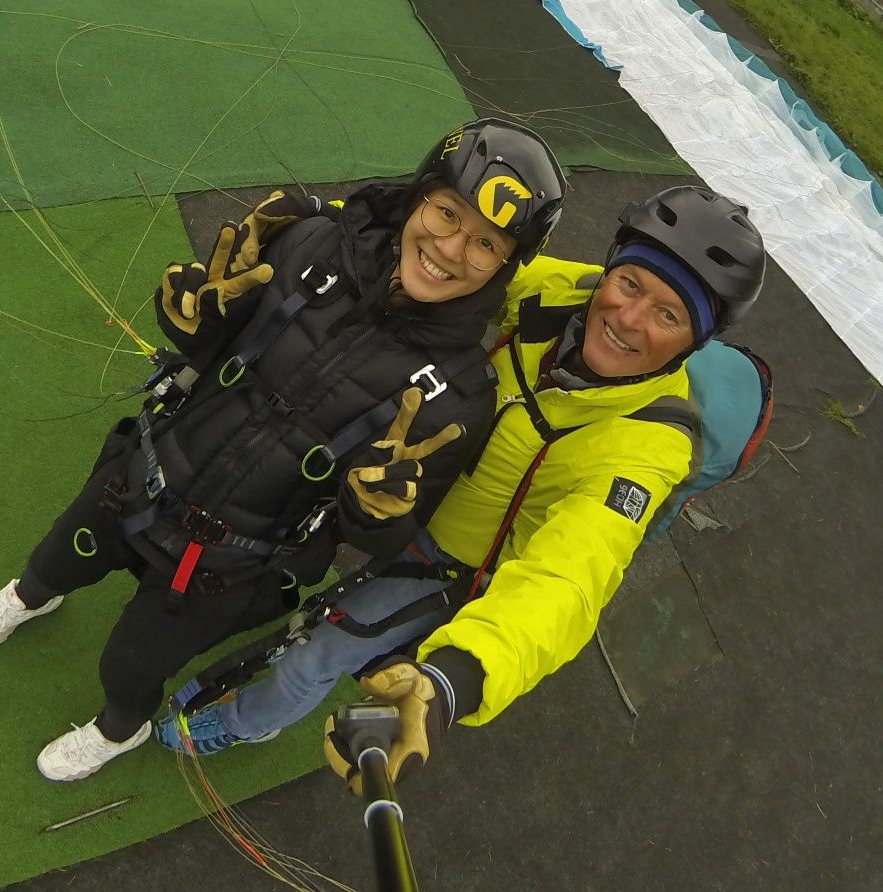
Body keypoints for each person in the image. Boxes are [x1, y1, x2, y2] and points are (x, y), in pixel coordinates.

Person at [0, 118, 567, 781]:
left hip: (227, 564)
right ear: (416, 196)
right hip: (143, 474)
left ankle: (118, 730)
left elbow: (383, 538)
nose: (450, 249)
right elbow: (214, 338)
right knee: (57, 556)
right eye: (447, 213)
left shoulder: (461, 398)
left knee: (130, 666)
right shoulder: (311, 244)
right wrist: (189, 316)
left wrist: (376, 510)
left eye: (486, 243)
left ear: (506, 265)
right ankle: (32, 595)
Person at [156, 185, 767, 782]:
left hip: (447, 559)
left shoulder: (648, 449)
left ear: (696, 343)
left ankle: (247, 721)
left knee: (314, 655)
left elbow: (568, 580)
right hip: (404, 480)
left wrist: (456, 679)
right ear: (609, 270)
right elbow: (449, 258)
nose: (628, 320)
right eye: (630, 284)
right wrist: (320, 219)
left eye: (668, 314)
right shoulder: (563, 291)